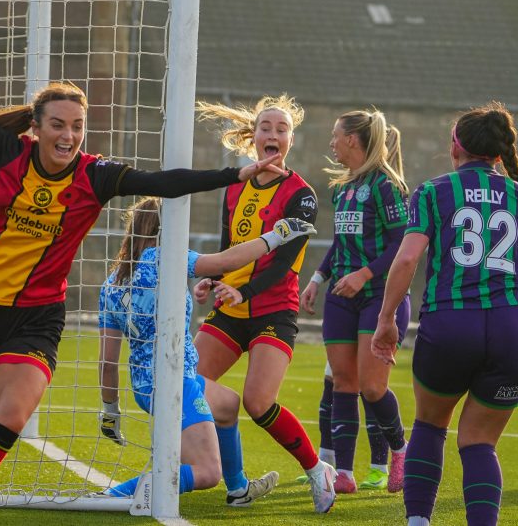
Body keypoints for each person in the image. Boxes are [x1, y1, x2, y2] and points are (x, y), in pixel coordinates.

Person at [0, 23, 288, 526]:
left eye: (78, 126)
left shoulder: (95, 175)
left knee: (10, 418)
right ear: (36, 128)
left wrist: (235, 174)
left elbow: (164, 183)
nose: (69, 135)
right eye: (59, 124)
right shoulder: (6, 152)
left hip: (36, 319)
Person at [99, 197, 315, 505]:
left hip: (146, 386)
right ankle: (115, 494)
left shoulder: (111, 283)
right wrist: (276, 236)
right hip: (176, 382)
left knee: (227, 404)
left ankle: (238, 489)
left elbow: (107, 363)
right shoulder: (166, 257)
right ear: (167, 230)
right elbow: (226, 262)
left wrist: (110, 410)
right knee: (206, 473)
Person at [372, 102, 518, 526]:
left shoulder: (435, 190)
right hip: (510, 327)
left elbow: (405, 261)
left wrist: (386, 321)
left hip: (451, 323)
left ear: (456, 147)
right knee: (479, 443)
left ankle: (418, 520)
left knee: (431, 426)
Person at [191, 96, 335, 513]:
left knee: (258, 402)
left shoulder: (302, 195)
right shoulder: (235, 184)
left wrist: (246, 292)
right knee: (189, 385)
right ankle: (234, 484)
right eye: (266, 128)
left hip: (273, 309)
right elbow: (227, 245)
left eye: (281, 129)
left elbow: (285, 264)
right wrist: (213, 279)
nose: (273, 135)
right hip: (230, 307)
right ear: (253, 136)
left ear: (290, 139)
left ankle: (316, 470)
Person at [299, 112, 409, 494]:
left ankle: (400, 450)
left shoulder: (386, 186)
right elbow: (340, 244)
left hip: (380, 298)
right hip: (341, 298)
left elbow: (400, 246)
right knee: (343, 382)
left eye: (335, 136)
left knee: (372, 387)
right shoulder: (342, 188)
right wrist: (317, 279)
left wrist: (364, 274)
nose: (331, 143)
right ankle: (343, 473)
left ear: (353, 140)